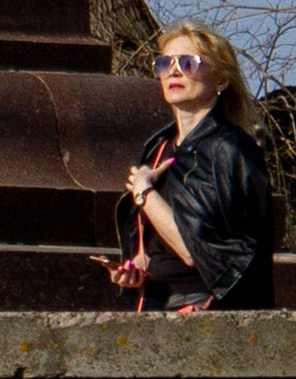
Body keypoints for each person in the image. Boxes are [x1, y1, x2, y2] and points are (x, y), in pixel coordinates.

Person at [109, 22, 277, 311]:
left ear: (222, 80)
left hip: (206, 311)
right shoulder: (158, 147)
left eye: (189, 63)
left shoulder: (230, 149)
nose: (174, 71)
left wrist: (144, 192)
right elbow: (157, 247)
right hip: (154, 304)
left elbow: (194, 250)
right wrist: (134, 268)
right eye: (165, 63)